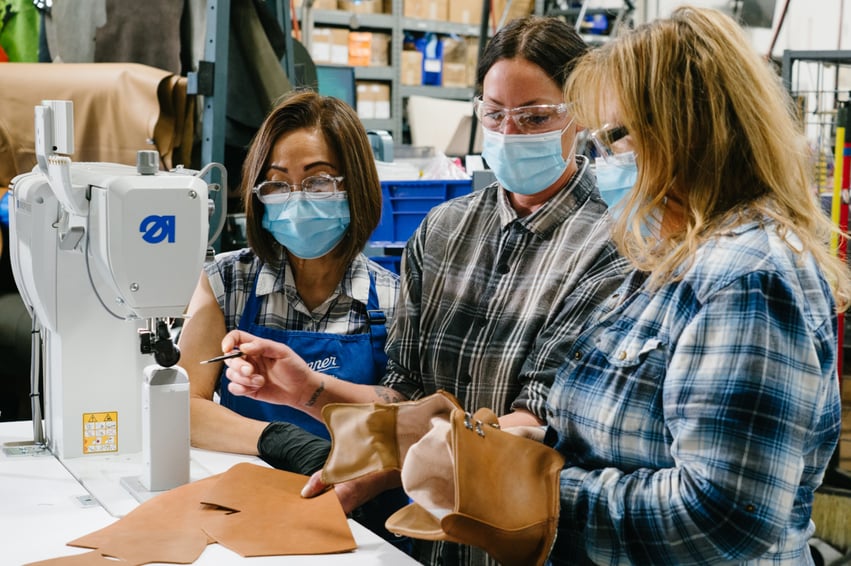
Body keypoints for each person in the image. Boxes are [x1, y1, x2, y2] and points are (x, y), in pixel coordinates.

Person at [219, 15, 628, 566]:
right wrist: (309, 392)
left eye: (534, 117)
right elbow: (405, 394)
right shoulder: (443, 231)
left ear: (577, 114)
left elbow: (538, 423)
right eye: (495, 114)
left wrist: (387, 458)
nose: (510, 133)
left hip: (523, 541)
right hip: (425, 544)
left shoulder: (613, 244)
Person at [542, 6, 850, 564]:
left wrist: (533, 492)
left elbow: (723, 516)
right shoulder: (672, 256)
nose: (600, 163)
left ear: (687, 132)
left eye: (616, 137)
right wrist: (535, 452)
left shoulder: (747, 277)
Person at [176, 91, 406, 546]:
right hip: (249, 503)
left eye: (318, 182)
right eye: (278, 184)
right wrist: (278, 439)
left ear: (354, 185)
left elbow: (405, 416)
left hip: (361, 516)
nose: (296, 200)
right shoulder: (227, 281)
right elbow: (182, 408)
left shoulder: (395, 297)